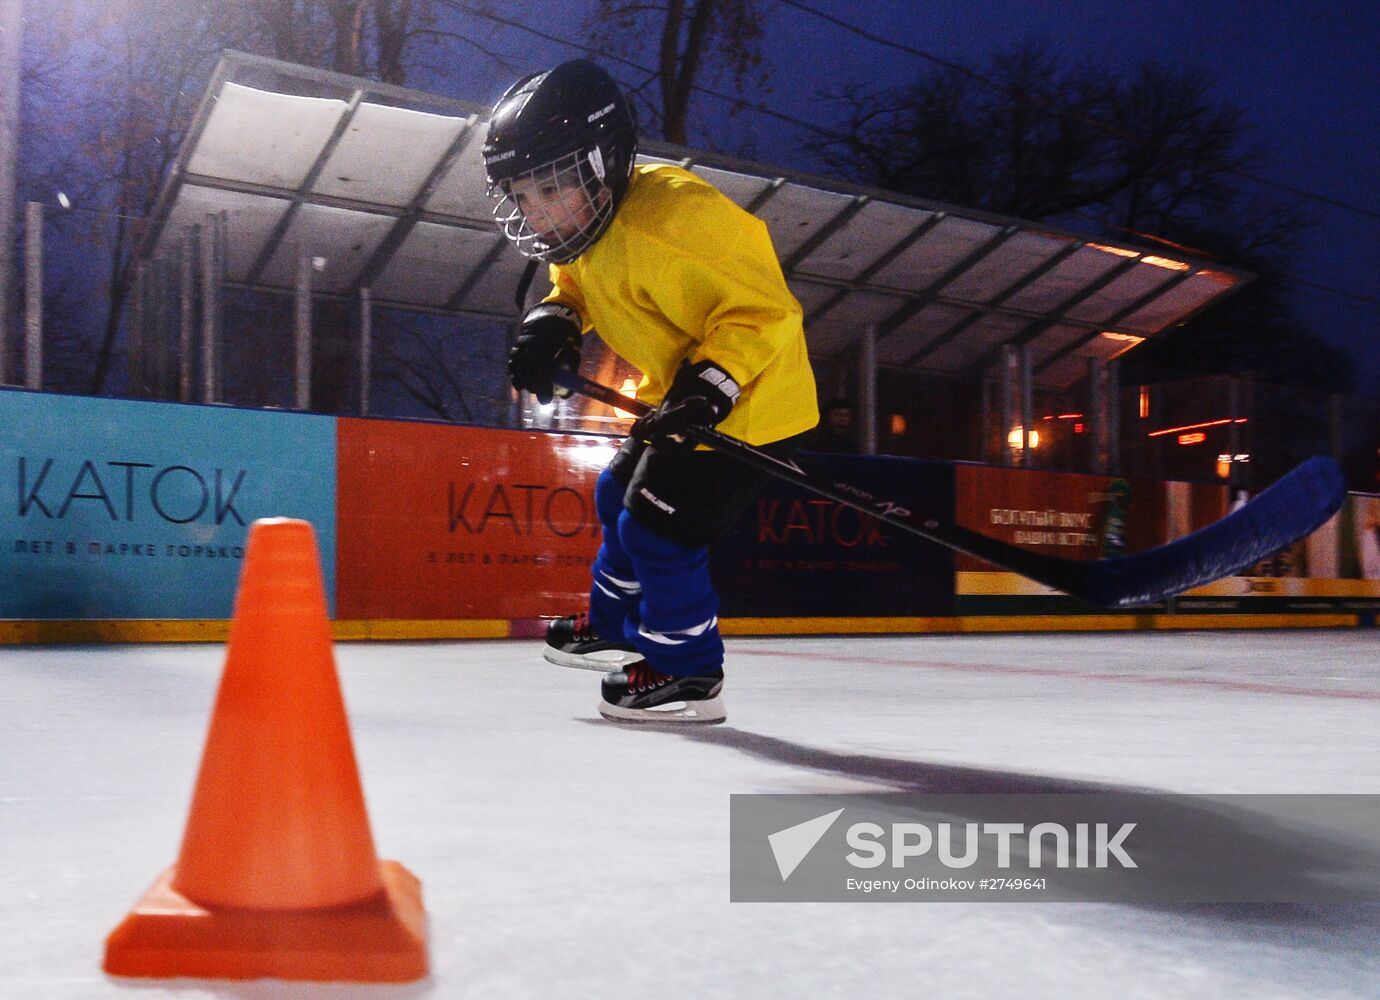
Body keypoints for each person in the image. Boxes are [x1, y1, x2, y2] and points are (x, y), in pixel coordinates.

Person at [483, 60, 818, 724]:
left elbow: (766, 314)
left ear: (602, 167)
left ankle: (689, 671)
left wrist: (711, 387)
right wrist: (555, 319)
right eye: (524, 197)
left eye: (551, 189)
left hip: (752, 405)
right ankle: (616, 626)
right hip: (686, 396)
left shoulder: (678, 220)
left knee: (659, 527)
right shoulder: (587, 229)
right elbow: (575, 282)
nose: (537, 212)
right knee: (617, 494)